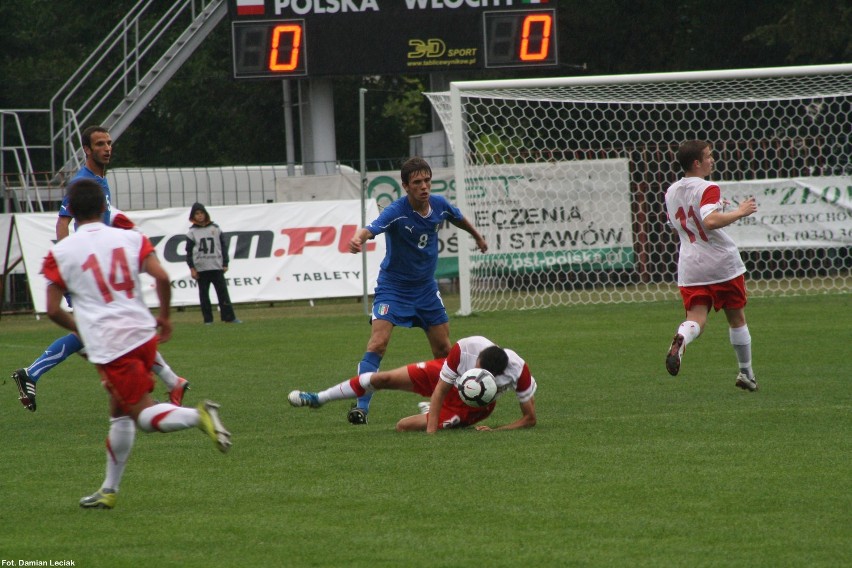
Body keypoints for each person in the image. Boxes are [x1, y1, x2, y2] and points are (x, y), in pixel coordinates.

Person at [42, 179, 231, 510]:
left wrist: (81, 329)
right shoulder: (130, 237)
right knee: (119, 413)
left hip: (111, 343)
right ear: (104, 207)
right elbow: (161, 277)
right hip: (144, 335)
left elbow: (52, 308)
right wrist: (166, 317)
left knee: (141, 413)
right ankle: (109, 490)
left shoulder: (60, 252)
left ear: (70, 211)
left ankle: (198, 416)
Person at [11, 125, 188, 412]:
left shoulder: (99, 181)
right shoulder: (84, 182)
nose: (107, 148)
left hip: (98, 267)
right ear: (87, 150)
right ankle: (162, 386)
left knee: (98, 333)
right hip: (89, 271)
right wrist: (68, 265)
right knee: (121, 329)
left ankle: (164, 384)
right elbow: (62, 222)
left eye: (109, 143)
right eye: (100, 144)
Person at [345, 157, 488, 425]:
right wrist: (358, 238)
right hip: (393, 288)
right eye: (417, 182)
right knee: (378, 343)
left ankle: (448, 403)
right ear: (406, 186)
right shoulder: (396, 211)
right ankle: (361, 406)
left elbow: (458, 218)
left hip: (425, 290)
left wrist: (477, 237)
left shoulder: (439, 205)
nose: (424, 187)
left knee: (444, 350)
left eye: (427, 181)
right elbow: (370, 229)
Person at [288, 335, 537, 433]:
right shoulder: (466, 348)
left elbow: (530, 419)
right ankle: (319, 398)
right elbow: (441, 388)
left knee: (403, 426)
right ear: (479, 358)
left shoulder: (517, 369)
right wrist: (431, 433)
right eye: (477, 369)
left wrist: (496, 430)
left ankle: (430, 413)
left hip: (470, 407)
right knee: (383, 378)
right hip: (445, 377)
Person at [663, 139, 759, 391]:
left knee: (696, 317)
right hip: (721, 263)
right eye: (708, 156)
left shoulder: (671, 191)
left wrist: (717, 209)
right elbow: (711, 221)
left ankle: (682, 336)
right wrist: (740, 211)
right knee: (736, 318)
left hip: (690, 265)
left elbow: (681, 223)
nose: (711, 159)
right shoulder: (709, 187)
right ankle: (746, 373)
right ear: (696, 163)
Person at [185, 202, 241, 325]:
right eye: (197, 214)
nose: (200, 216)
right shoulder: (192, 232)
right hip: (201, 268)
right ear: (193, 216)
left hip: (216, 266)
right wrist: (192, 268)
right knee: (204, 296)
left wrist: (225, 263)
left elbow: (223, 246)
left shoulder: (215, 228)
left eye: (201, 213)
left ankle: (229, 317)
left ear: (206, 214)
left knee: (223, 294)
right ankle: (208, 320)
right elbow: (188, 252)